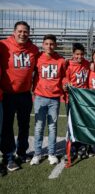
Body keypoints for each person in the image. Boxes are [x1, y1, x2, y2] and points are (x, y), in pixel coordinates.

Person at [0, 21, 39, 172]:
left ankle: (21, 152)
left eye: (26, 32)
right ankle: (9, 157)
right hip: (7, 94)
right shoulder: (3, 46)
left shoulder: (34, 49)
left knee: (24, 124)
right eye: (20, 31)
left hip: (25, 94)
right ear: (14, 32)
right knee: (7, 126)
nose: (23, 34)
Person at [30, 34, 66, 165]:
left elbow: (64, 76)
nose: (49, 46)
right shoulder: (37, 58)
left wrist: (65, 84)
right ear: (42, 45)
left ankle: (51, 153)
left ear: (55, 45)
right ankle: (37, 153)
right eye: (46, 44)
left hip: (54, 99)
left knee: (52, 127)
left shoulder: (61, 60)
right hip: (39, 97)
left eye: (51, 44)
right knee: (39, 127)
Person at [63, 43, 90, 159]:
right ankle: (72, 146)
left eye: (82, 54)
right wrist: (64, 86)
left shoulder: (87, 64)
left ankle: (82, 145)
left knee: (83, 123)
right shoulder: (68, 65)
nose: (79, 57)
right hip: (72, 99)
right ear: (73, 54)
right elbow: (64, 81)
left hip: (83, 99)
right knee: (72, 123)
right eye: (77, 54)